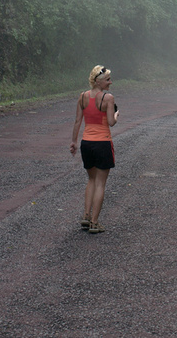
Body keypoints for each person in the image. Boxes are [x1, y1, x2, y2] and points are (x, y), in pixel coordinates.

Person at [70, 65, 119, 233]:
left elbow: (78, 121)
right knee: (100, 184)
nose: (110, 82)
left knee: (91, 180)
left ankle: (85, 215)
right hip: (103, 143)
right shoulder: (108, 98)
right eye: (107, 80)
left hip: (87, 143)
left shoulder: (83, 97)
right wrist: (116, 115)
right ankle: (95, 222)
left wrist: (73, 142)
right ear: (98, 81)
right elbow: (111, 122)